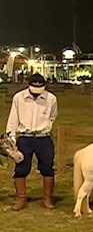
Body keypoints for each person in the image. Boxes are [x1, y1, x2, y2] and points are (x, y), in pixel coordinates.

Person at [6, 73, 58, 211]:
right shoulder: (19, 98)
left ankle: (48, 198)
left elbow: (52, 117)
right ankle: (20, 199)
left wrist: (42, 127)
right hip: (25, 138)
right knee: (21, 168)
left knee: (47, 168)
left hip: (44, 138)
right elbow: (13, 119)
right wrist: (11, 139)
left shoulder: (51, 98)